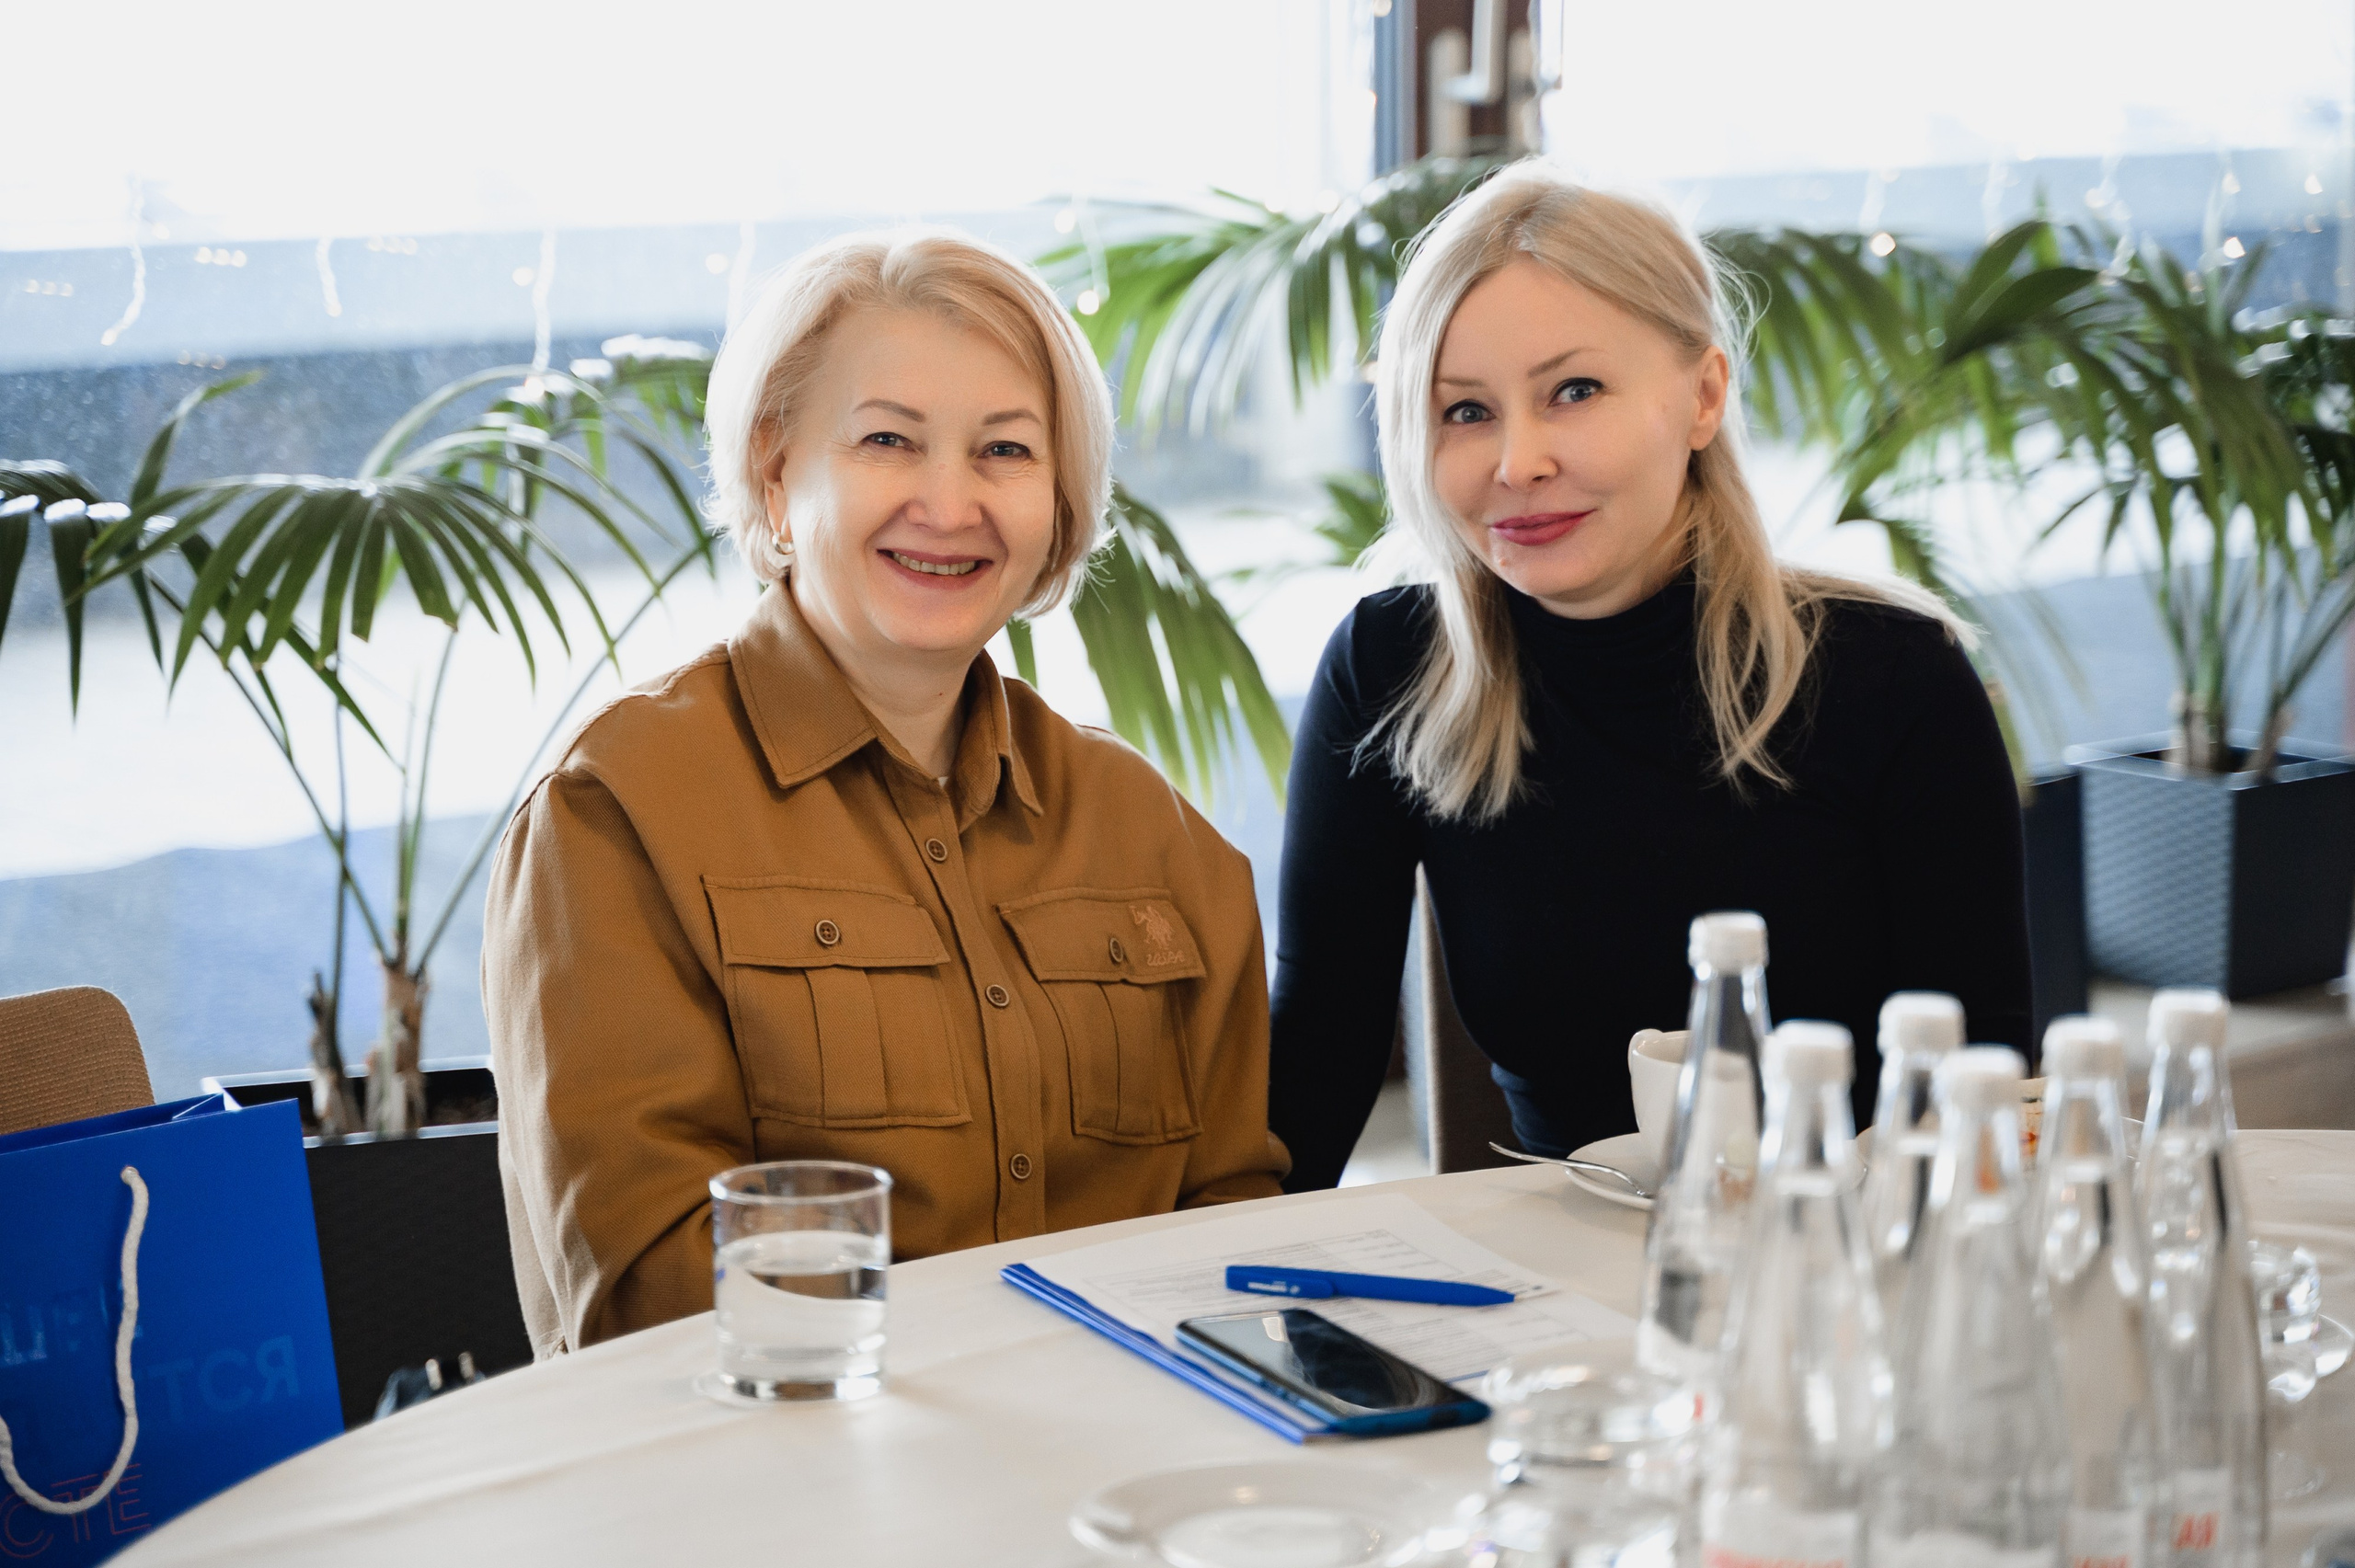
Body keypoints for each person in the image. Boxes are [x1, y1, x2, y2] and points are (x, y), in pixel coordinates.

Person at [484, 231, 1286, 1355]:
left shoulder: (1155, 834)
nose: (948, 503)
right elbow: (644, 1305)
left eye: (1004, 450)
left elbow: (1232, 1230)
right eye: (886, 441)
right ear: (776, 474)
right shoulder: (611, 818)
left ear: (1058, 501)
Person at [1269, 164, 2032, 1189]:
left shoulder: (1892, 679)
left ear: (1703, 395)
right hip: (1542, 1296)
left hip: (1847, 1265)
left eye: (1572, 391)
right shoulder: (1392, 666)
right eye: (1463, 412)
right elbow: (1316, 1062)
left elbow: (1979, 1090)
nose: (1518, 460)